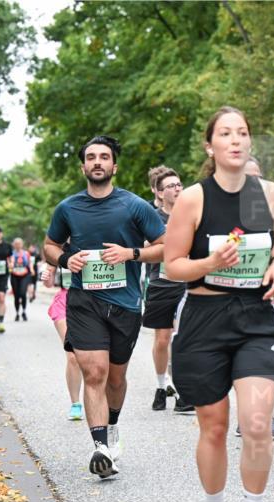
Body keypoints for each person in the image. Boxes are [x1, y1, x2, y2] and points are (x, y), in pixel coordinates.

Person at [164, 106, 274, 502]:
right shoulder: (194, 199)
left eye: (243, 133)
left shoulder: (268, 193)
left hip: (255, 319)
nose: (236, 141)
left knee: (256, 423)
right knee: (214, 426)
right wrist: (211, 264)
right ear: (210, 145)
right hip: (204, 317)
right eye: (226, 134)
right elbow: (173, 265)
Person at [44, 135, 166, 479]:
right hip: (84, 302)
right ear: (83, 166)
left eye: (104, 157)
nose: (97, 162)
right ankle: (99, 448)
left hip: (125, 304)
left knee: (116, 378)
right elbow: (49, 246)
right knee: (93, 373)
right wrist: (67, 259)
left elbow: (165, 245)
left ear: (114, 166)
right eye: (91, 157)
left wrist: (131, 254)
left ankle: (112, 426)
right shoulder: (68, 208)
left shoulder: (135, 206)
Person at [233, 156, 274, 441]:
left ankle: (266, 415)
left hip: (262, 295)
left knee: (265, 356)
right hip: (225, 298)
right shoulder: (220, 209)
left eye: (257, 178)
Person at [141, 168, 193, 413]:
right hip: (161, 283)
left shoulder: (192, 214)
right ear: (160, 193)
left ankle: (182, 392)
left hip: (187, 284)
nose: (177, 188)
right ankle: (161, 386)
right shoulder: (152, 218)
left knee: (181, 337)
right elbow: (144, 247)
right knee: (162, 340)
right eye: (171, 186)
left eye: (179, 184)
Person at [40, 259, 85, 421]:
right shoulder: (58, 251)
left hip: (90, 302)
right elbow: (49, 283)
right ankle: (75, 404)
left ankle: (98, 398)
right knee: (72, 355)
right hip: (65, 301)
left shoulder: (92, 242)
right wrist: (46, 277)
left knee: (93, 357)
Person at [10, 237, 33, 321]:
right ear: (14, 245)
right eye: (16, 244)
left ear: (22, 244)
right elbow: (10, 263)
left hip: (24, 275)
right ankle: (17, 313)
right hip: (14, 275)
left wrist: (32, 270)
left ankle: (23, 311)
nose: (18, 245)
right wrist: (11, 265)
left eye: (19, 244)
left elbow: (30, 263)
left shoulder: (26, 253)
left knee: (23, 293)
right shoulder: (11, 253)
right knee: (16, 295)